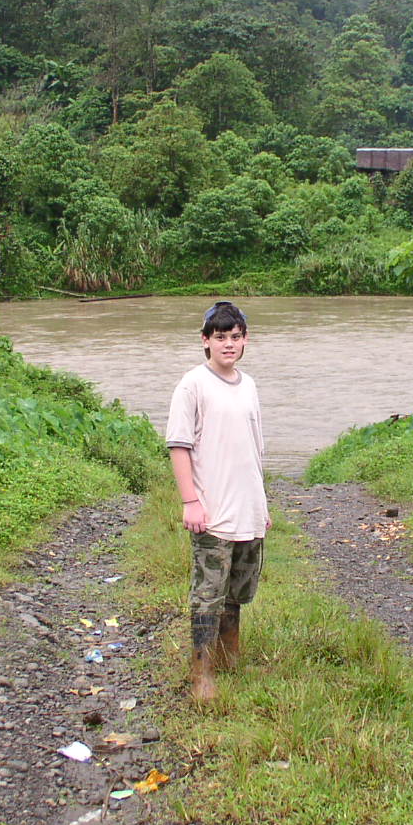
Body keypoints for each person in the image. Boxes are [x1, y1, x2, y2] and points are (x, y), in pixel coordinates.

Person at [165, 301, 269, 704]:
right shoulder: (192, 385)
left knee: (237, 591)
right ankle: (201, 671)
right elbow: (179, 445)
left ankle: (230, 656)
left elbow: (256, 450)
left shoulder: (250, 385)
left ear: (245, 340)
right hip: (212, 511)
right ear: (206, 341)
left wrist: (263, 505)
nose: (229, 344)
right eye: (220, 337)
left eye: (236, 336)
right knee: (207, 593)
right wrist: (191, 501)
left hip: (249, 508)